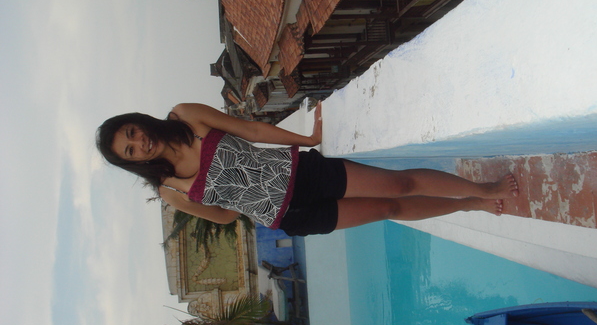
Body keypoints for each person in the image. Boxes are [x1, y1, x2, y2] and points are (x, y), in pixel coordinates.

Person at [97, 102, 519, 236]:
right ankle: (468, 204)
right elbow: (224, 216)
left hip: (302, 172)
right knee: (388, 209)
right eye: (130, 151)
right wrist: (250, 198)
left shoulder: (186, 116)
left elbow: (250, 129)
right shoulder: (170, 191)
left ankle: (483, 189)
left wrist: (308, 138)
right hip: (291, 215)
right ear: (133, 162)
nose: (139, 143)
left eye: (132, 133)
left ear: (137, 122)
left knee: (400, 184)